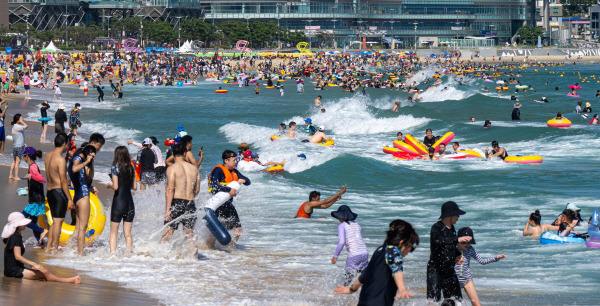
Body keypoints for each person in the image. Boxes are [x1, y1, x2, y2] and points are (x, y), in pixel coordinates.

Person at [334, 219, 420, 305]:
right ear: (401, 243)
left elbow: (365, 275)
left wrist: (352, 289)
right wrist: (402, 288)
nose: (409, 251)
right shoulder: (394, 250)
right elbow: (396, 268)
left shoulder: (379, 250)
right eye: (411, 247)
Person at [2, 212, 81, 283]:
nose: (25, 224)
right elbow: (17, 257)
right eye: (23, 223)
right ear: (18, 225)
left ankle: (67, 280)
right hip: (14, 271)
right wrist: (33, 264)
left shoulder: (12, 236)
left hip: (12, 269)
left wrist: (32, 265)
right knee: (44, 273)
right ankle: (69, 281)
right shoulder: (15, 237)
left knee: (42, 271)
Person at [427, 201, 472, 303]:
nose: (458, 217)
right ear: (450, 215)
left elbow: (449, 245)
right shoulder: (436, 227)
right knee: (433, 301)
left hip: (449, 270)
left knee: (456, 301)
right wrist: (457, 240)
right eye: (457, 214)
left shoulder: (452, 229)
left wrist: (457, 255)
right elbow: (437, 241)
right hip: (435, 270)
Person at [160, 144, 200, 254]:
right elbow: (196, 190)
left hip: (177, 202)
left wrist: (167, 210)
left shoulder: (172, 168)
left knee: (168, 234)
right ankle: (195, 261)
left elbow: (170, 190)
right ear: (184, 153)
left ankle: (158, 259)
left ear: (172, 154)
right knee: (189, 235)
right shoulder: (194, 169)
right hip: (190, 203)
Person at [206, 150, 251, 248]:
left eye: (236, 160)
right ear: (226, 160)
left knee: (238, 230)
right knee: (215, 233)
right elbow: (213, 184)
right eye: (234, 160)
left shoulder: (234, 172)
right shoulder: (218, 170)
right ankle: (207, 249)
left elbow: (248, 182)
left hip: (228, 205)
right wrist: (228, 189)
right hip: (218, 206)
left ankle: (230, 250)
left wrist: (244, 180)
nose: (236, 162)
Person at [455, 227, 505, 306]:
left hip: (467, 280)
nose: (467, 245)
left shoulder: (471, 249)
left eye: (470, 242)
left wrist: (496, 258)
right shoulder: (453, 248)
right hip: (454, 280)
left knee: (477, 304)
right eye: (465, 242)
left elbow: (482, 261)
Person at [44, 133, 73, 254]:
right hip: (59, 192)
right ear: (64, 144)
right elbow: (63, 180)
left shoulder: (48, 156)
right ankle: (55, 249)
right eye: (68, 144)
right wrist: (69, 199)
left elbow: (53, 171)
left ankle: (48, 248)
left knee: (54, 222)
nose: (68, 147)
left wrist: (66, 159)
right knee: (58, 222)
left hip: (50, 191)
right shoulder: (60, 160)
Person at [106, 146, 137, 255]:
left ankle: (113, 256)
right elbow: (135, 187)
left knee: (113, 233)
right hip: (129, 203)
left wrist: (109, 185)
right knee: (128, 233)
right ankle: (128, 255)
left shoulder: (115, 167)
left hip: (119, 202)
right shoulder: (131, 168)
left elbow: (115, 187)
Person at [68, 145, 97, 255]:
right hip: (83, 195)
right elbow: (75, 169)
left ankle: (70, 249)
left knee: (77, 228)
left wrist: (91, 162)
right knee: (82, 228)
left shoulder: (79, 160)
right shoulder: (78, 159)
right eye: (92, 155)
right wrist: (86, 162)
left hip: (78, 195)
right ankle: (80, 254)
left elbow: (90, 175)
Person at [331, 205, 369, 286]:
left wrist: (335, 256)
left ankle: (344, 295)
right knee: (364, 278)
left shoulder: (342, 226)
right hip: (365, 253)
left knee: (348, 279)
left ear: (340, 217)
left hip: (354, 255)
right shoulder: (357, 225)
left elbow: (341, 242)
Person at [22, 147, 48, 246]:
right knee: (33, 222)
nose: (23, 158)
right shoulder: (33, 166)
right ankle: (40, 242)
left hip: (35, 201)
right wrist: (28, 189)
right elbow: (37, 183)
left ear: (27, 156)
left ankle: (42, 230)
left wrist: (31, 176)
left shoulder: (32, 167)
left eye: (24, 156)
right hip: (37, 198)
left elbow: (42, 179)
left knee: (22, 219)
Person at [9, 114, 27, 180]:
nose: (22, 119)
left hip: (15, 146)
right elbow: (26, 126)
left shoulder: (14, 126)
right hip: (19, 146)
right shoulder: (18, 127)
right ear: (18, 119)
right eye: (21, 118)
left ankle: (11, 175)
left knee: (14, 161)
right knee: (18, 161)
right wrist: (22, 121)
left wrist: (20, 121)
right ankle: (16, 176)